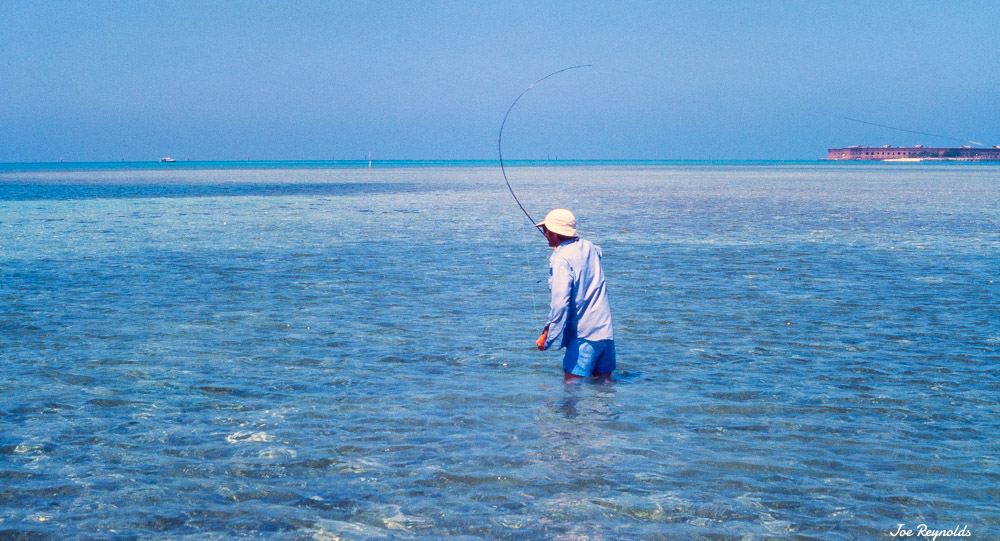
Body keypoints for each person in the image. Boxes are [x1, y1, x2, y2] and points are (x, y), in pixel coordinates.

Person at [534, 209, 616, 383]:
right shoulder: (590, 247)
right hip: (606, 334)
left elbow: (560, 304)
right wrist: (561, 248)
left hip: (584, 337)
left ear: (555, 233)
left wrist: (548, 338)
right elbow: (594, 252)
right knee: (604, 391)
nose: (544, 234)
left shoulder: (562, 260)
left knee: (571, 389)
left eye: (545, 231)